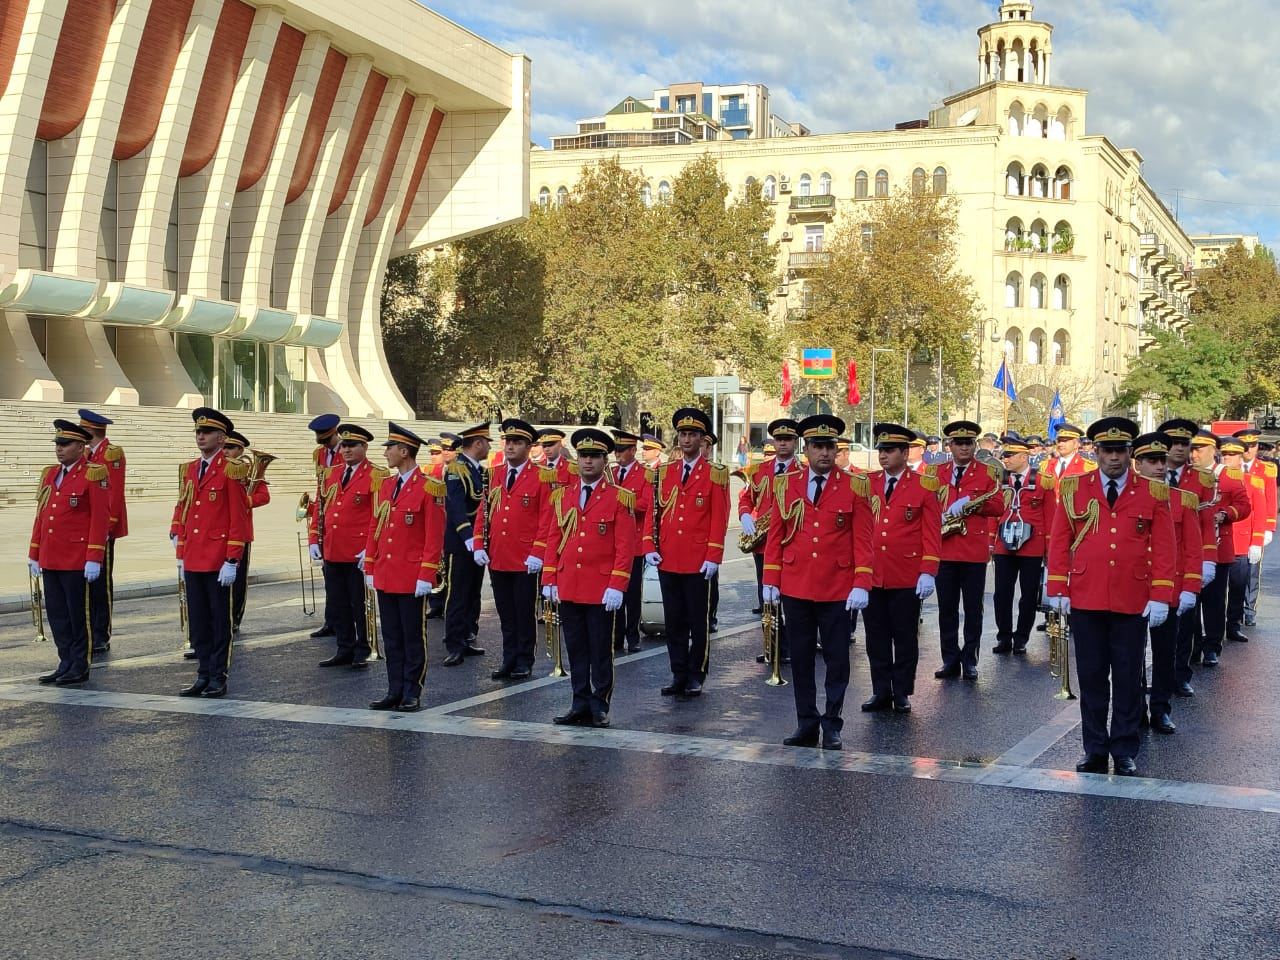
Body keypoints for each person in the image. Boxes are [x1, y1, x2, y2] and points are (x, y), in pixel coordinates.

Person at [1045, 417, 1175, 777]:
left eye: (1120, 451)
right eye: (1107, 450)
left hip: (1132, 597)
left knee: (1128, 677)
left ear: (1130, 453)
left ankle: (1124, 748)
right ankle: (1095, 748)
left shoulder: (1152, 491)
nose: (1114, 458)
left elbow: (1164, 548)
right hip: (1086, 596)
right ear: (1096, 451)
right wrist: (1057, 587)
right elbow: (1059, 540)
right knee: (1091, 677)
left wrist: (1161, 594)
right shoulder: (1074, 488)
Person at [761, 415, 873, 750]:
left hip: (838, 587)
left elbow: (863, 539)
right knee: (802, 658)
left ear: (837, 450)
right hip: (797, 585)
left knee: (837, 659)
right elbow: (776, 536)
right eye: (817, 446)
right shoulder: (786, 484)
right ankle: (806, 723)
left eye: (830, 447)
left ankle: (833, 723)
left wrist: (861, 582)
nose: (824, 453)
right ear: (805, 449)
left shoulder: (855, 486)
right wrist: (771, 578)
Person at [541, 428, 636, 727]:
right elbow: (552, 538)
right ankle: (579, 703)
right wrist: (549, 579)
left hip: (600, 587)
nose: (588, 462)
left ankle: (600, 704)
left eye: (595, 456)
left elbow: (625, 546)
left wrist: (618, 584)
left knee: (600, 650)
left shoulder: (620, 497)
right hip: (569, 585)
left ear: (605, 461)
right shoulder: (562, 496)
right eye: (583, 456)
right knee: (576, 649)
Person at [644, 408, 729, 698]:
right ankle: (678, 672)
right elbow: (653, 513)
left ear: (702, 439)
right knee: (674, 621)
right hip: (669, 556)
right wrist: (648, 546)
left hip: (697, 559)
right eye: (683, 434)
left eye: (693, 434)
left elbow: (719, 516)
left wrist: (713, 555)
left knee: (698, 621)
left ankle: (697, 673)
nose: (687, 439)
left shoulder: (715, 474)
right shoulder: (664, 473)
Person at [363, 423, 445, 712]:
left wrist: (427, 572)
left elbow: (434, 535)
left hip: (411, 575)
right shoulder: (386, 485)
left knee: (413, 636)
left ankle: (412, 690)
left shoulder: (428, 487)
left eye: (389, 448)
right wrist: (371, 564)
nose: (385, 453)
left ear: (404, 451)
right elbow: (377, 525)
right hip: (387, 572)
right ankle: (393, 689)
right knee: (392, 636)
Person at [171, 408, 251, 699]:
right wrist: (179, 546)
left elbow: (238, 518)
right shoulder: (189, 469)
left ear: (221, 438)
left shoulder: (232, 469)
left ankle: (218, 675)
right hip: (194, 555)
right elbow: (183, 506)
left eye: (206, 432)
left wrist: (232, 559)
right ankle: (203, 674)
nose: (200, 436)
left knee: (220, 621)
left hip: (218, 559)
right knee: (199, 620)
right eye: (197, 432)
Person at [862, 424, 941, 714]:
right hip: (873, 572)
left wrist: (928, 570)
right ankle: (880, 690)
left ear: (905, 453)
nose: (883, 456)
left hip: (906, 573)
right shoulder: (866, 483)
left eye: (890, 451)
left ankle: (902, 690)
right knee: (876, 636)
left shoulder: (924, 484)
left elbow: (931, 531)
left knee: (905, 637)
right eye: (881, 450)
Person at [1131, 432, 1203, 735]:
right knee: (1130, 657)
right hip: (1132, 589)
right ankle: (1135, 711)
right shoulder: (1127, 499)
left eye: (1162, 461)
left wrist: (1190, 587)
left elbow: (1192, 547)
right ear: (1137, 465)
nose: (1159, 467)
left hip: (1168, 589)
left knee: (1164, 655)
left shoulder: (1181, 499)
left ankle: (1160, 708)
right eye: (1152, 461)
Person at [29, 419, 109, 686]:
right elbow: (42, 516)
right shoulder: (50, 474)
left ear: (81, 445)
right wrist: (34, 551)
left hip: (76, 558)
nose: (59, 449)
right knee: (58, 615)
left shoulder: (93, 474)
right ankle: (65, 662)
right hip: (52, 556)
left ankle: (79, 664)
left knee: (78, 615)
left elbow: (99, 518)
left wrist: (94, 556)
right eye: (57, 444)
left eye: (65, 444)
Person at [474, 418, 552, 680]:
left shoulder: (541, 475)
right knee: (505, 613)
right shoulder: (494, 474)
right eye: (508, 441)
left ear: (528, 447)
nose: (510, 446)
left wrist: (538, 551)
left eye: (517, 442)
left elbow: (546, 517)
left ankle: (524, 659)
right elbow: (484, 512)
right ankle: (509, 658)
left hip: (524, 556)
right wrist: (478, 543)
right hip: (499, 554)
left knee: (523, 611)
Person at [930, 420, 1003, 681]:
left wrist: (971, 504)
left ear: (974, 445)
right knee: (946, 609)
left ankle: (969, 659)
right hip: (944, 549)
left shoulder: (986, 472)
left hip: (972, 551)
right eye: (958, 443)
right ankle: (949, 659)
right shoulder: (935, 472)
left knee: (973, 609)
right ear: (949, 445)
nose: (964, 447)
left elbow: (998, 506)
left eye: (968, 443)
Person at [311, 423, 382, 669]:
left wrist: (371, 548)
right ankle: (344, 647)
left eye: (353, 445)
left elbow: (379, 515)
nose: (347, 450)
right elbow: (320, 510)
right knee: (338, 602)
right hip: (333, 548)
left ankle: (364, 647)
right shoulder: (330, 474)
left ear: (364, 447)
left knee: (359, 602)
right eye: (344, 445)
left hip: (357, 551)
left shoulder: (376, 475)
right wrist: (314, 539)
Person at [1158, 418, 1216, 698]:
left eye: (1185, 444)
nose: (1179, 448)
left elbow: (1205, 524)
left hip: (1184, 563)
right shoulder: (1145, 472)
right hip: (1151, 563)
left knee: (1184, 627)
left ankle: (1180, 675)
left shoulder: (1202, 479)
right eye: (1174, 443)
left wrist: (1207, 560)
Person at [738, 418, 801, 654]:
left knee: (792, 598)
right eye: (779, 440)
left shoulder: (803, 471)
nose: (783, 444)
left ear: (795, 442)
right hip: (764, 544)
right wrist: (745, 515)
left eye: (788, 440)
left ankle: (794, 645)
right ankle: (772, 647)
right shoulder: (759, 470)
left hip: (792, 542)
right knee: (766, 596)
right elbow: (746, 498)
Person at [1188, 431, 1251, 667]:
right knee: (1190, 602)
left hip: (1219, 546)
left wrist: (1226, 514)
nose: (1194, 454)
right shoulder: (1187, 476)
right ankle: (1192, 647)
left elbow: (1244, 506)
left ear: (1213, 451)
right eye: (1192, 449)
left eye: (1199, 450)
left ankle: (1212, 646)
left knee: (1214, 602)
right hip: (1191, 549)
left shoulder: (1229, 476)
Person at [992, 432, 1054, 655]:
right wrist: (992, 541)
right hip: (1004, 543)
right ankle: (1004, 637)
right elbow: (993, 512)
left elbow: (1050, 515)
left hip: (1032, 544)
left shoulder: (1043, 480)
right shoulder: (1000, 480)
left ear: (1024, 456)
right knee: (1002, 593)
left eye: (1009, 455)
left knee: (1028, 594)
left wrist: (1048, 548)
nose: (1005, 459)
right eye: (1003, 454)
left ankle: (1021, 638)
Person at [442, 423, 491, 665]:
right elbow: (455, 506)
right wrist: (468, 536)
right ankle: (454, 643)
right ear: (478, 443)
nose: (490, 447)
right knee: (458, 595)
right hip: (462, 543)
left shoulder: (478, 470)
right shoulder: (456, 468)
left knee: (472, 594)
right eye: (487, 442)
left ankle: (467, 637)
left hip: (477, 543)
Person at [80, 408, 126, 656]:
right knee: (86, 584)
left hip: (103, 529)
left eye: (82, 429)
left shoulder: (111, 454)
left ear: (90, 431)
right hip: (85, 528)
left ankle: (102, 633)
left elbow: (114, 492)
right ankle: (89, 631)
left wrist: (108, 526)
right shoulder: (87, 454)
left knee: (101, 585)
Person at [222, 430, 270, 640]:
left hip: (240, 532)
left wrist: (245, 502)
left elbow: (263, 496)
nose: (225, 451)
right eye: (224, 447)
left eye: (230, 448)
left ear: (241, 450)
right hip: (217, 532)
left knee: (238, 580)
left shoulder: (249, 470)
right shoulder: (217, 468)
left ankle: (235, 617)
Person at [610, 429, 655, 653]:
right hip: (612, 543)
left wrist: (621, 500)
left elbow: (646, 504)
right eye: (616, 450)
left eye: (622, 450)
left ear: (632, 451)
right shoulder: (610, 472)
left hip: (635, 543)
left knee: (632, 594)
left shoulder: (645, 474)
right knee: (613, 590)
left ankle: (632, 635)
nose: (617, 454)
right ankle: (616, 637)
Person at [1220, 436, 1266, 644]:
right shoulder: (1212, 479)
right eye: (1225, 454)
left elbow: (1260, 512)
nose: (1227, 458)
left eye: (1232, 455)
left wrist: (1257, 540)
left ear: (1240, 457)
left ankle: (1233, 625)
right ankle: (1215, 628)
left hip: (1240, 542)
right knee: (1217, 592)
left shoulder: (1252, 481)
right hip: (1218, 542)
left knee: (1238, 588)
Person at [1235, 428, 1276, 627]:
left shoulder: (1266, 469)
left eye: (1252, 446)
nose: (1249, 450)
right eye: (1246, 446)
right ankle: (1233, 610)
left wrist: (1269, 527)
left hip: (1255, 526)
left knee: (1252, 571)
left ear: (1257, 446)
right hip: (1235, 527)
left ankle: (1249, 609)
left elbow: (1270, 500)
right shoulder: (1229, 467)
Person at [307, 413, 342, 640]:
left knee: (343, 582)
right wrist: (314, 532)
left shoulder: (345, 451)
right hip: (326, 519)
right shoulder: (320, 454)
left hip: (344, 521)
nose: (321, 441)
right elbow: (321, 489)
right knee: (329, 577)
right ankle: (331, 619)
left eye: (325, 437)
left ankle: (344, 622)